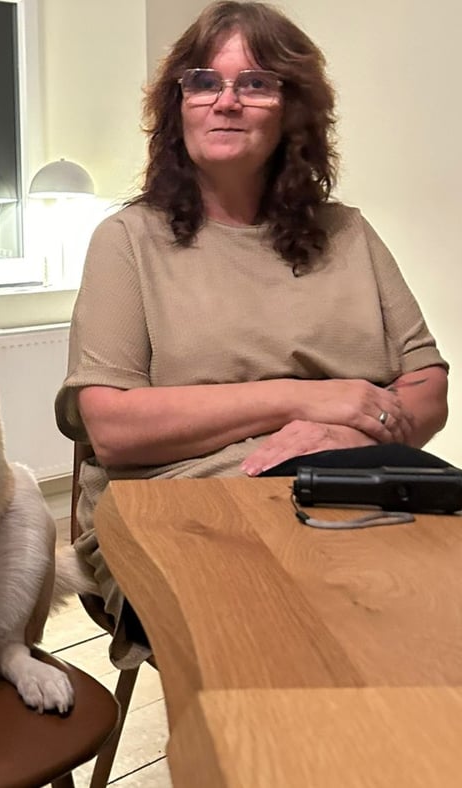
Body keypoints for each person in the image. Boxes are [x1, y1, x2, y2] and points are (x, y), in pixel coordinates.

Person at [54, 1, 449, 668]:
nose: (226, 101)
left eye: (256, 83)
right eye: (204, 81)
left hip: (352, 483)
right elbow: (112, 427)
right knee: (310, 636)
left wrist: (349, 430)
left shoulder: (349, 233)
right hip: (178, 503)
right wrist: (306, 400)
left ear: (293, 109)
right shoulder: (127, 241)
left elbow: (428, 387)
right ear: (179, 105)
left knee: (429, 617)